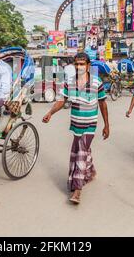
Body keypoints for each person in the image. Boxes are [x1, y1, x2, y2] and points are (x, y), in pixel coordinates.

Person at [42, 52, 109, 205]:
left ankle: (77, 190)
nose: (79, 67)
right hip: (76, 123)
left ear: (88, 66)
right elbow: (62, 101)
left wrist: (107, 125)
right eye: (77, 64)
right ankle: (90, 172)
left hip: (90, 123)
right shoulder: (69, 82)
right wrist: (50, 113)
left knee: (80, 153)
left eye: (82, 64)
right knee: (79, 150)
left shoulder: (96, 82)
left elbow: (103, 104)